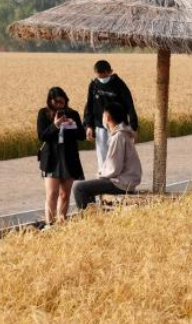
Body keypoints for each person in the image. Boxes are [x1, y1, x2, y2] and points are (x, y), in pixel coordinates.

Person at [73, 102, 143, 211]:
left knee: (79, 188)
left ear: (108, 117)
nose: (103, 118)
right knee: (88, 187)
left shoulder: (119, 137)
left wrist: (101, 174)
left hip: (122, 183)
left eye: (103, 115)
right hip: (126, 181)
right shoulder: (122, 134)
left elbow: (114, 168)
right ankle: (93, 215)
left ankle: (88, 219)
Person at [36, 87, 85, 226]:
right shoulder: (43, 113)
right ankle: (49, 223)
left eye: (61, 102)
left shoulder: (73, 113)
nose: (59, 106)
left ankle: (61, 221)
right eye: (55, 103)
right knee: (52, 193)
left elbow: (81, 136)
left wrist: (72, 125)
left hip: (69, 157)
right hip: (52, 158)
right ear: (50, 102)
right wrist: (55, 125)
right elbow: (42, 136)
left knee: (65, 193)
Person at [82, 60, 139, 174]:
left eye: (103, 74)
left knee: (118, 155)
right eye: (98, 75)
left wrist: (133, 125)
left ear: (110, 71)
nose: (101, 77)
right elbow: (89, 106)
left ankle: (120, 180)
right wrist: (89, 125)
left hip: (118, 127)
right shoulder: (94, 85)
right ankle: (103, 179)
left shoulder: (119, 84)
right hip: (100, 127)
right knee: (102, 156)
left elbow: (129, 104)